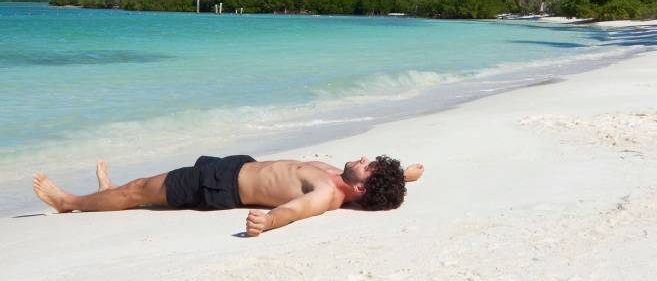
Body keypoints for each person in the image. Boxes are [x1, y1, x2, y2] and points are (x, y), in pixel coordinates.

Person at [32, 155, 424, 236]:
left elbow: (296, 210)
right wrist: (403, 175)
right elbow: (380, 183)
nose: (364, 158)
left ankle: (70, 203)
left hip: (221, 185)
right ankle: (107, 193)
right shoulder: (343, 176)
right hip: (236, 166)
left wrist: (268, 222)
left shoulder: (325, 192)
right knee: (144, 184)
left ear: (360, 188)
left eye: (369, 166)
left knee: (139, 191)